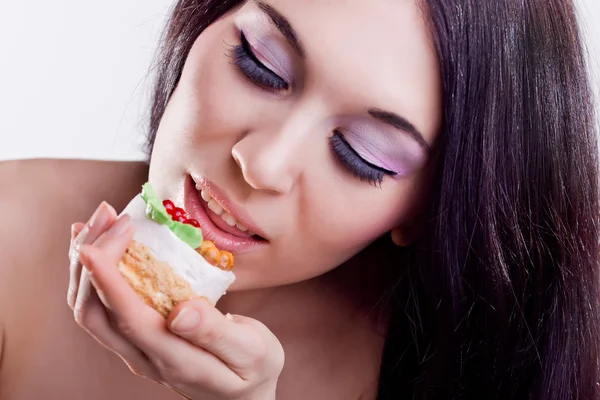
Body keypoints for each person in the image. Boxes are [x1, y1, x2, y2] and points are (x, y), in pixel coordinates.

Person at [1, 0, 599, 398]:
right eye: (259, 64)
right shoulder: (10, 227)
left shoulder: (474, 369)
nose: (262, 165)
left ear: (423, 209)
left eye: (363, 154)